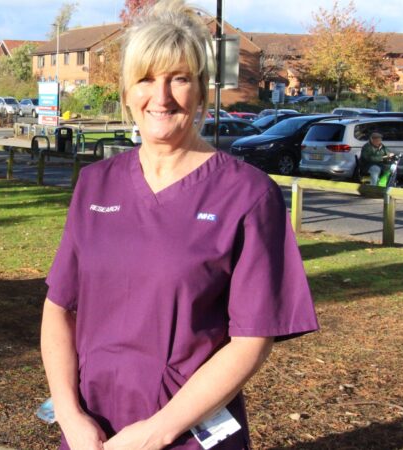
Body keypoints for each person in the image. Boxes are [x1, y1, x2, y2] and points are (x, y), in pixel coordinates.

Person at [40, 1, 319, 449]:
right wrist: (71, 417)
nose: (161, 97)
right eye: (146, 79)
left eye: (180, 78)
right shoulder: (95, 184)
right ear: (126, 91)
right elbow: (58, 309)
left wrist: (158, 431)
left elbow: (252, 338)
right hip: (92, 429)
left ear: (203, 90)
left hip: (186, 432)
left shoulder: (247, 195)